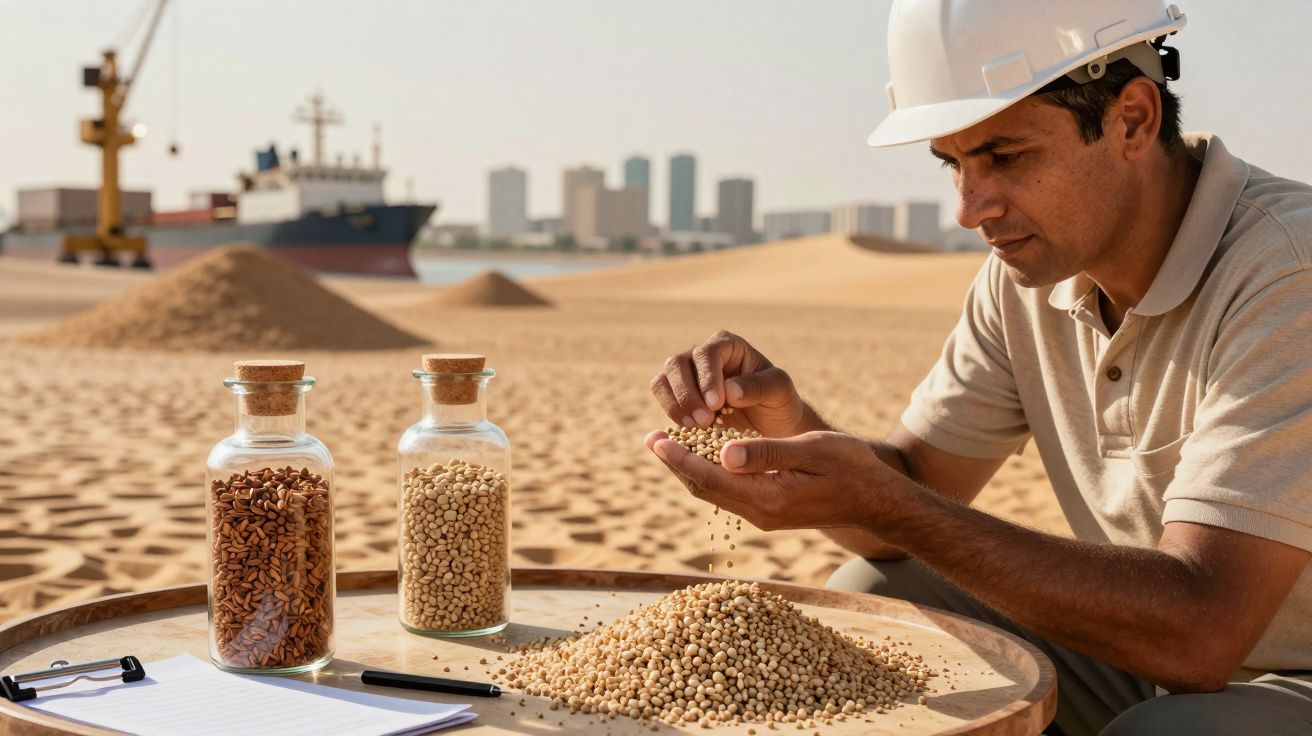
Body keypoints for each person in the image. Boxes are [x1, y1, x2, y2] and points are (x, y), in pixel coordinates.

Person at [644, 2, 1312, 734]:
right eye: (952, 163)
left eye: (1005, 155)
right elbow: (911, 503)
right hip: (1158, 656)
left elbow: (1203, 631)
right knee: (881, 592)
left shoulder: (1288, 270)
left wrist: (885, 503)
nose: (969, 207)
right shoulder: (1028, 276)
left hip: (1269, 669)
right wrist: (792, 432)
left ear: (1132, 120)